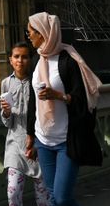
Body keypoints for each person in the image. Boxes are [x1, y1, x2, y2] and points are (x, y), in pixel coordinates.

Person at [26, 13, 103, 206]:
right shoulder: (36, 60)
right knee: (52, 196)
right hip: (43, 139)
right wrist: (30, 135)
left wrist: (58, 96)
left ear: (42, 33)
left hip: (66, 140)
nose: (28, 36)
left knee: (61, 198)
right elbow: (32, 102)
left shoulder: (68, 61)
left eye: (30, 32)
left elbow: (81, 100)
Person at [0, 42, 53, 206]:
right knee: (13, 192)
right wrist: (6, 113)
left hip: (38, 144)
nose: (20, 61)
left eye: (24, 57)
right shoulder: (5, 84)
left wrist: (37, 142)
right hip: (15, 144)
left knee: (43, 197)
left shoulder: (38, 83)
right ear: (10, 60)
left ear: (30, 60)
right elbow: (7, 122)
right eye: (16, 57)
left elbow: (46, 114)